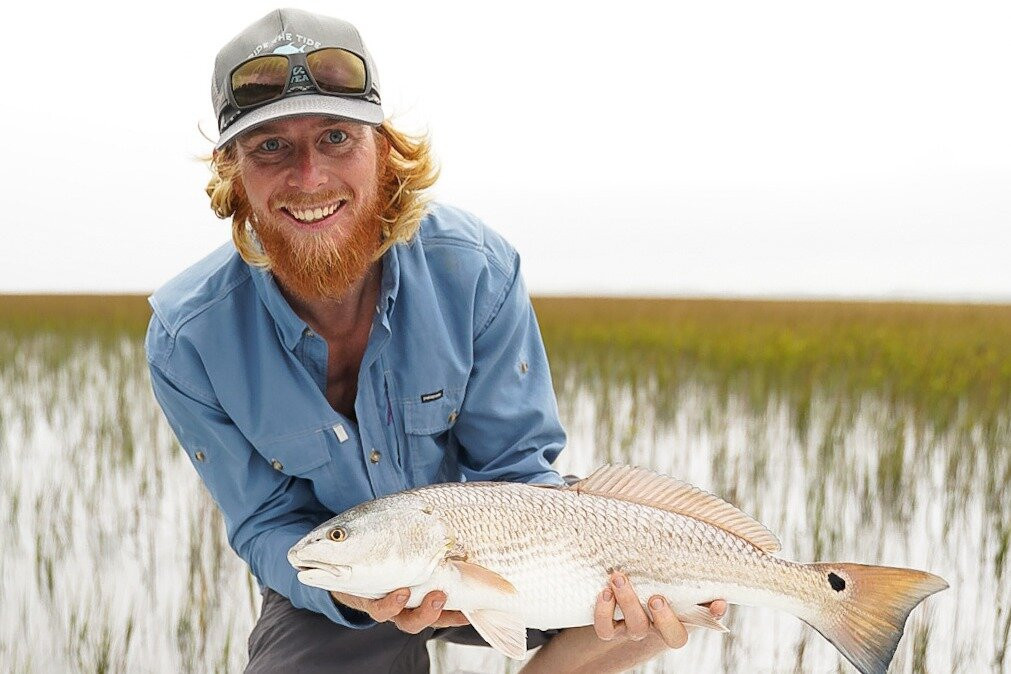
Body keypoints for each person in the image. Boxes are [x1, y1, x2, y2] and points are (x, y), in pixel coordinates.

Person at [145, 8, 726, 673]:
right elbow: (263, 524)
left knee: (649, 614)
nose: (308, 177)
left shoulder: (475, 267)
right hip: (348, 580)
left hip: (504, 547)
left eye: (335, 136)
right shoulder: (186, 339)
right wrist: (349, 593)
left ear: (384, 152)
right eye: (269, 146)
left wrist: (500, 580)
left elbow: (513, 467)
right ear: (234, 172)